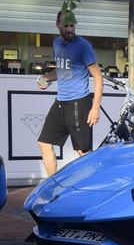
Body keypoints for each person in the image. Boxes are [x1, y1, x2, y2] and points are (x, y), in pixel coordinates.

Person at [36, 11, 103, 176]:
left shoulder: (83, 46)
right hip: (61, 102)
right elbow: (61, 71)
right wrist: (45, 78)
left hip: (78, 103)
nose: (69, 29)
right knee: (44, 142)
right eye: (65, 25)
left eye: (72, 25)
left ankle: (95, 185)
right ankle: (52, 185)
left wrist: (95, 108)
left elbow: (98, 77)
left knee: (83, 151)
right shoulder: (57, 43)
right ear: (57, 25)